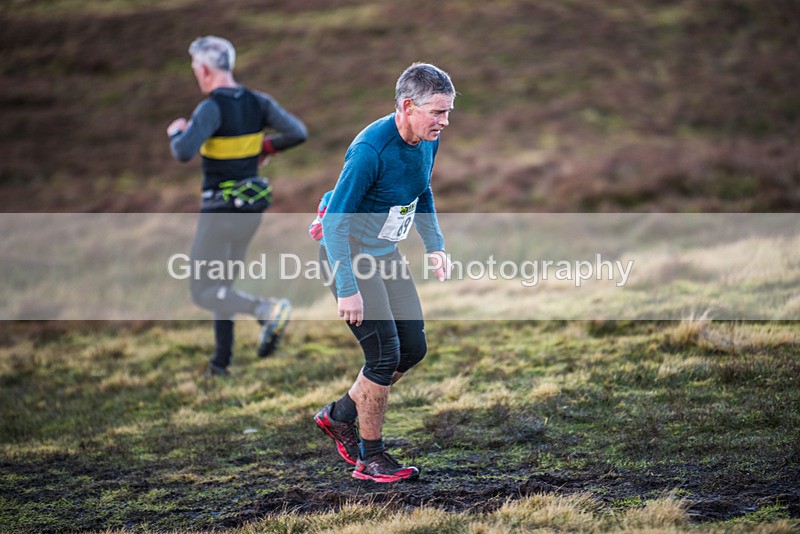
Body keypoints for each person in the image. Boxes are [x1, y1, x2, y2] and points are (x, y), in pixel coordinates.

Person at [313, 62, 454, 482]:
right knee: (383, 355)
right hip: (348, 256)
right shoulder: (369, 150)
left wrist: (435, 245)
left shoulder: (428, 140)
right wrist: (347, 288)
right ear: (408, 106)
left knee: (413, 348)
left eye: (448, 112)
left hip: (384, 252)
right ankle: (369, 459)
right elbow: (336, 222)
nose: (444, 122)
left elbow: (422, 187)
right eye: (437, 112)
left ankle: (339, 415)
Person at [167, 36, 307, 376]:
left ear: (203, 69)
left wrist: (177, 131)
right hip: (249, 212)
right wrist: (266, 148)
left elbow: (184, 152)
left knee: (202, 291)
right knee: (220, 288)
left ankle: (265, 310)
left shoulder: (210, 108)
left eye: (194, 69)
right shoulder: (258, 102)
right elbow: (297, 132)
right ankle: (221, 364)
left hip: (219, 211)